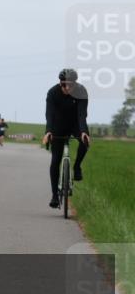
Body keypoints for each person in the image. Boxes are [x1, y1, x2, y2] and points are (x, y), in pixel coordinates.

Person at [42, 68, 90, 209]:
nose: (67, 88)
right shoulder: (52, 93)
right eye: (64, 85)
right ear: (60, 83)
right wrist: (48, 131)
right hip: (57, 125)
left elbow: (82, 114)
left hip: (75, 124)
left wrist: (83, 132)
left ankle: (76, 167)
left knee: (85, 141)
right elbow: (49, 114)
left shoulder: (81, 92)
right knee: (56, 159)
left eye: (71, 85)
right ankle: (55, 196)